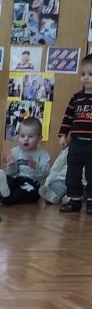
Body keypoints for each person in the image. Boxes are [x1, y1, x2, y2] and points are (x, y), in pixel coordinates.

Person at [0, 116, 50, 206]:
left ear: (39, 138)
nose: (26, 139)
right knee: (9, 179)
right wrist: (11, 165)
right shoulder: (15, 151)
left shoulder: (43, 154)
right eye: (22, 136)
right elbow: (12, 172)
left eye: (30, 136)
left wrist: (36, 166)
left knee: (18, 193)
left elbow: (46, 173)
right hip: (17, 179)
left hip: (33, 184)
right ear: (18, 136)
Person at [58, 54, 92, 214]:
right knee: (72, 173)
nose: (85, 78)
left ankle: (91, 201)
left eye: (90, 74)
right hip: (76, 143)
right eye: (83, 74)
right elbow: (68, 118)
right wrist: (63, 135)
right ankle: (75, 200)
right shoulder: (76, 98)